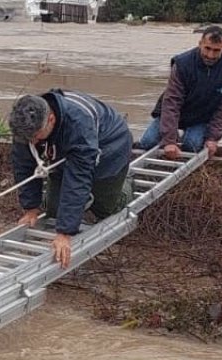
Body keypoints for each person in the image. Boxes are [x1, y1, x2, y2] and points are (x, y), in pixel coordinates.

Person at [8, 89, 133, 268]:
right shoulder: (26, 126)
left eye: (35, 137)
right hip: (65, 150)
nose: (33, 142)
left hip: (110, 148)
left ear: (51, 119)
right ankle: (83, 201)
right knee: (54, 210)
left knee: (105, 210)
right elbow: (23, 164)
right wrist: (31, 208)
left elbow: (78, 179)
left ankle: (125, 186)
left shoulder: (78, 124)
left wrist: (65, 233)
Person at [137, 25, 222, 160]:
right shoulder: (182, 64)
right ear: (200, 44)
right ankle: (172, 136)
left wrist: (213, 138)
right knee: (148, 142)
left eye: (216, 51)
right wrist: (169, 140)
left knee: (192, 145)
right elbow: (172, 102)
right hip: (176, 111)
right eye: (207, 48)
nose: (210, 55)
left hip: (201, 116)